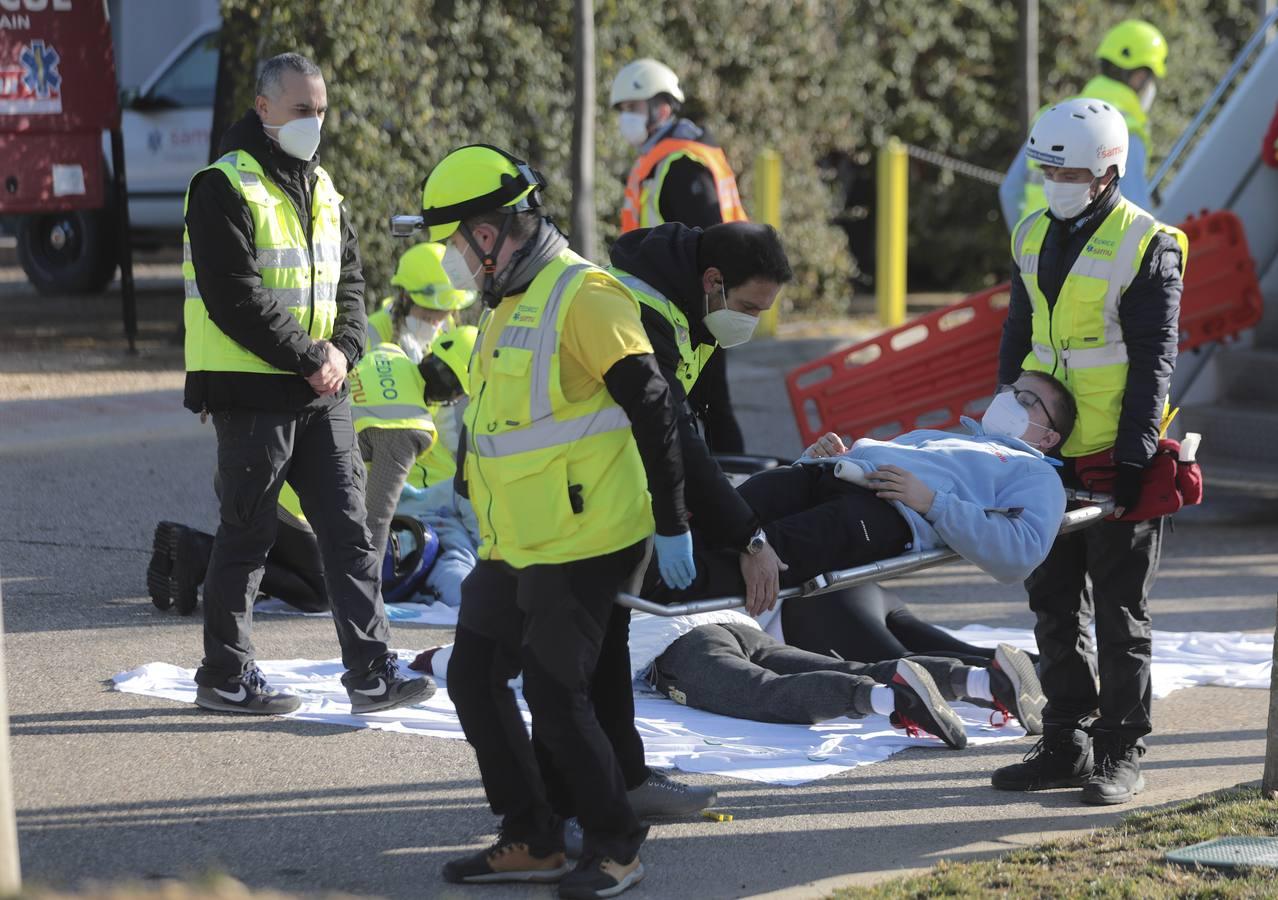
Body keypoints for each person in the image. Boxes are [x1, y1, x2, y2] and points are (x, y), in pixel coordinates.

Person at [418, 144, 690, 898]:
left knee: (552, 688)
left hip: (590, 538)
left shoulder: (585, 295)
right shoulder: (504, 302)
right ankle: (532, 835)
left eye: (450, 240)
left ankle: (614, 846)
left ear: (490, 231)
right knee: (472, 677)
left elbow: (655, 405)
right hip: (517, 542)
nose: (448, 260)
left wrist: (674, 522)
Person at [179, 52, 433, 716]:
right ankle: (225, 676)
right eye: (301, 110)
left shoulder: (325, 187)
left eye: (321, 110)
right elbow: (233, 296)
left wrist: (344, 351)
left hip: (323, 389)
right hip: (253, 389)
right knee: (249, 534)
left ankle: (373, 670)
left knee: (348, 532)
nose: (314, 122)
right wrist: (310, 356)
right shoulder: (222, 185)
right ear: (262, 108)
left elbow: (350, 285)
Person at [992, 98, 1186, 805]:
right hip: (1044, 453)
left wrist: (1135, 457)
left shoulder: (1148, 244)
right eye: (1046, 168)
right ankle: (1064, 744)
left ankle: (1122, 751)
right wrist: (1006, 422)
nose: (1053, 181)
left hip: (1113, 452)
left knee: (1119, 611)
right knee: (1050, 603)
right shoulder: (1031, 233)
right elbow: (1019, 336)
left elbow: (1152, 361)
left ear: (1107, 172)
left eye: (1067, 170)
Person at [646, 369, 1076, 619]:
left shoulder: (1036, 475)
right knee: (733, 507)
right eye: (1011, 390)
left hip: (890, 513)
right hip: (831, 473)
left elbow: (1019, 554)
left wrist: (932, 503)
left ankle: (652, 588)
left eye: (1027, 399)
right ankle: (634, 560)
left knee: (777, 550)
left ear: (1049, 436)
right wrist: (818, 456)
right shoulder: (959, 438)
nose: (1009, 400)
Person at [149, 325, 476, 615]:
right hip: (288, 501)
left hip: (249, 466)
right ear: (455, 393)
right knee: (321, 589)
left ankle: (200, 556)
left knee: (275, 547)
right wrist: (366, 592)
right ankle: (199, 552)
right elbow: (377, 516)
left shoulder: (388, 354)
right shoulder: (408, 427)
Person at [609, 221, 794, 617]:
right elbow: (674, 432)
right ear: (712, 280)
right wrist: (750, 539)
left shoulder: (693, 307)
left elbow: (697, 421)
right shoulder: (640, 313)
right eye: (748, 308)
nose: (751, 322)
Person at [610, 58, 748, 453]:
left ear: (662, 109)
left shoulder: (681, 163)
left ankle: (735, 497)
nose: (626, 119)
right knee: (700, 408)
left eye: (633, 109)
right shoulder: (664, 159)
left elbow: (706, 240)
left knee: (707, 408)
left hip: (694, 310)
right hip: (681, 307)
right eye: (624, 111)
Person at [1000, 19, 1168, 228]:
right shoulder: (1125, 130)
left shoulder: (1052, 118)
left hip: (1034, 250)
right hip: (1087, 256)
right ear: (1140, 77)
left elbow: (1010, 190)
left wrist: (1024, 246)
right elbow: (1136, 215)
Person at [365, 241, 476, 358]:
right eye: (427, 318)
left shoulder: (448, 325)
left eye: (441, 316)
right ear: (406, 298)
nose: (435, 325)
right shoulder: (373, 331)